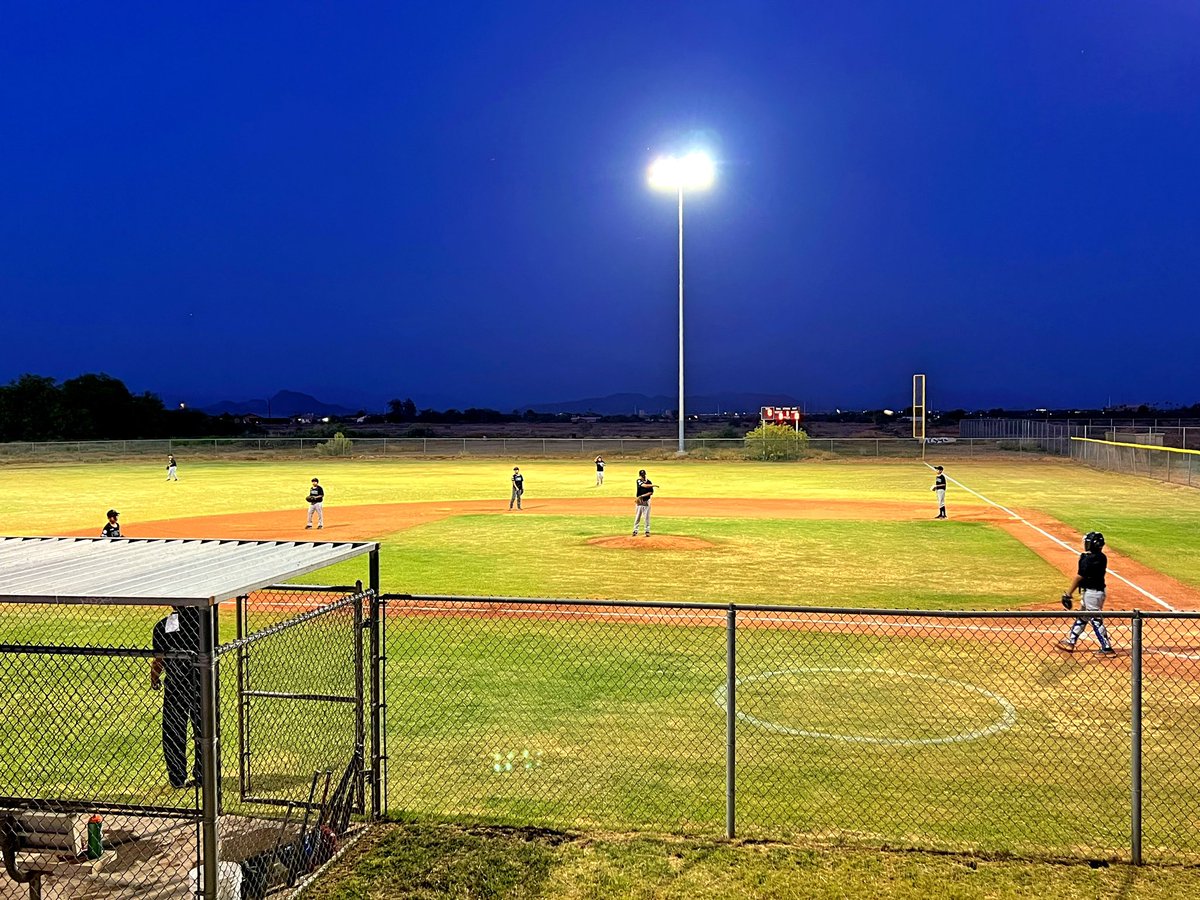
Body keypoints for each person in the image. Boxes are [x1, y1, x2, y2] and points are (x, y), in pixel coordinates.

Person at [150, 606, 203, 788]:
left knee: (174, 729)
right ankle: (203, 774)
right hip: (201, 682)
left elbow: (159, 659)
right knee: (203, 728)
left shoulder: (164, 625)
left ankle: (177, 777)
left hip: (176, 683)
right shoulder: (203, 621)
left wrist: (155, 677)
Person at [1057, 531, 1116, 656]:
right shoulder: (1102, 557)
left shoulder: (1088, 559)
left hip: (1092, 594)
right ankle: (1071, 642)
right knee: (1083, 617)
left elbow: (1079, 577)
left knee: (1095, 619)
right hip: (1096, 592)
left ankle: (1107, 647)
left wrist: (1068, 593)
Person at [632, 469, 654, 537]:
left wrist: (642, 496)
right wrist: (653, 485)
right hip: (639, 502)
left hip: (646, 501)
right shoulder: (638, 481)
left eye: (643, 475)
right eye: (641, 475)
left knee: (646, 517)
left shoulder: (649, 482)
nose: (642, 476)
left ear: (645, 475)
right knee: (637, 516)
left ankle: (647, 531)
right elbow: (644, 486)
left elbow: (651, 492)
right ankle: (635, 530)